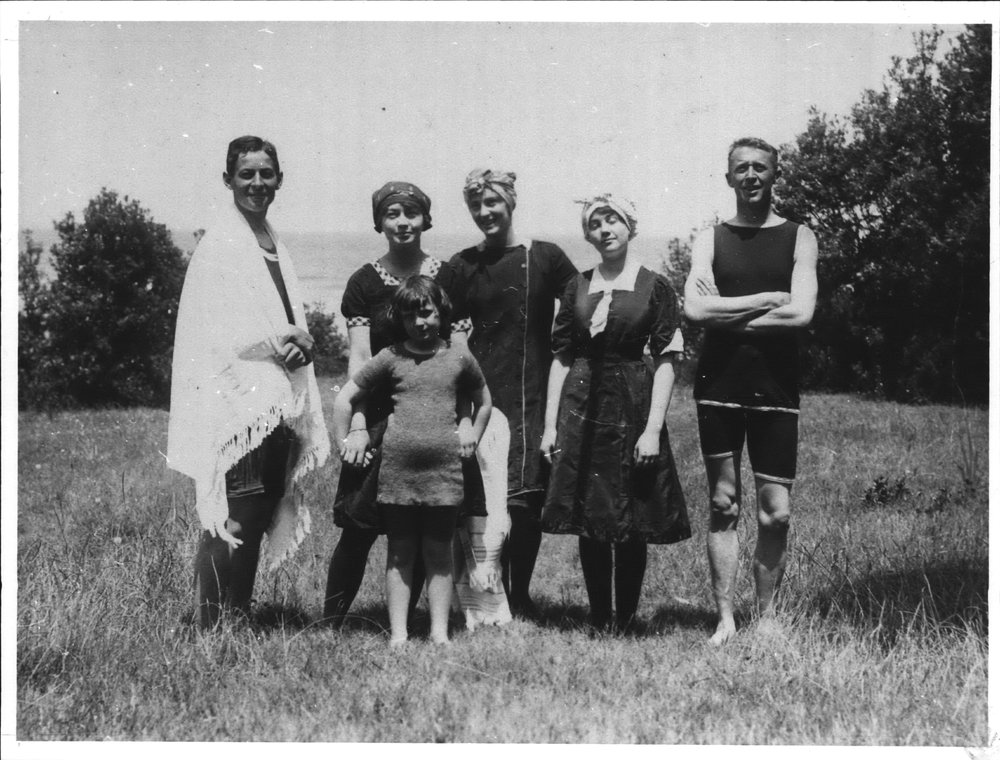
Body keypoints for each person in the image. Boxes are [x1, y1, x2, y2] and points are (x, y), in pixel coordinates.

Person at [167, 135, 330, 629]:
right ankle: (210, 626)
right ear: (228, 180)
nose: (257, 183)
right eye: (246, 174)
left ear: (279, 180)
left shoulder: (274, 243)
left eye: (266, 174)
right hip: (236, 403)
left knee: (256, 517)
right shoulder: (220, 244)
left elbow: (283, 317)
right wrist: (280, 338)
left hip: (277, 400)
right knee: (231, 518)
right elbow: (211, 330)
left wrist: (301, 342)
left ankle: (237, 620)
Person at [683, 137, 819, 645]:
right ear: (728, 178)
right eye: (741, 168)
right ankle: (725, 619)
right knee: (723, 503)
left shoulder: (799, 236)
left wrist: (728, 314)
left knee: (775, 510)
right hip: (718, 386)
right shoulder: (709, 238)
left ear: (774, 174)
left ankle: (767, 618)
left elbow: (801, 313)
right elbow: (695, 311)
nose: (751, 175)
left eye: (760, 167)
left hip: (776, 387)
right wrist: (766, 300)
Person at [323, 181, 474, 627]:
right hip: (380, 420)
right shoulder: (364, 282)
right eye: (392, 213)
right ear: (379, 223)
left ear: (426, 219)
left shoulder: (449, 277)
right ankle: (329, 624)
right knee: (358, 527)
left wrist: (464, 423)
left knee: (431, 527)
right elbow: (360, 361)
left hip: (437, 420)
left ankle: (404, 622)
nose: (402, 222)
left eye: (411, 212)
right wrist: (356, 426)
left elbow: (461, 363)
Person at [540, 194, 690, 632]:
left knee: (631, 514)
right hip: (582, 404)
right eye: (596, 224)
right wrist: (551, 425)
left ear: (630, 227)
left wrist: (653, 429)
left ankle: (624, 620)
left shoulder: (654, 285)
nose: (605, 230)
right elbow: (562, 357)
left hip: (632, 401)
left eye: (613, 221)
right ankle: (598, 617)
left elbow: (666, 361)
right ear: (587, 234)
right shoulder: (577, 286)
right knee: (589, 514)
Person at [333, 276, 493, 646]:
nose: (420, 323)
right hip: (397, 474)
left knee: (438, 553)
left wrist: (471, 432)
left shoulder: (458, 356)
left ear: (441, 313)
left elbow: (484, 401)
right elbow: (346, 397)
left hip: (445, 473)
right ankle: (399, 634)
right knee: (399, 554)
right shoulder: (391, 357)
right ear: (400, 319)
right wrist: (347, 439)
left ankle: (439, 632)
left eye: (427, 314)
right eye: (410, 317)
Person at [450, 168, 578, 618]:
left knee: (525, 502)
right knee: (483, 497)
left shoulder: (545, 256)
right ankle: (488, 594)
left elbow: (583, 304)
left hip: (534, 391)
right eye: (476, 206)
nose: (485, 212)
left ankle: (518, 592)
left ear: (511, 201)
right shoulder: (462, 265)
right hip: (480, 393)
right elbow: (436, 325)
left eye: (493, 203)